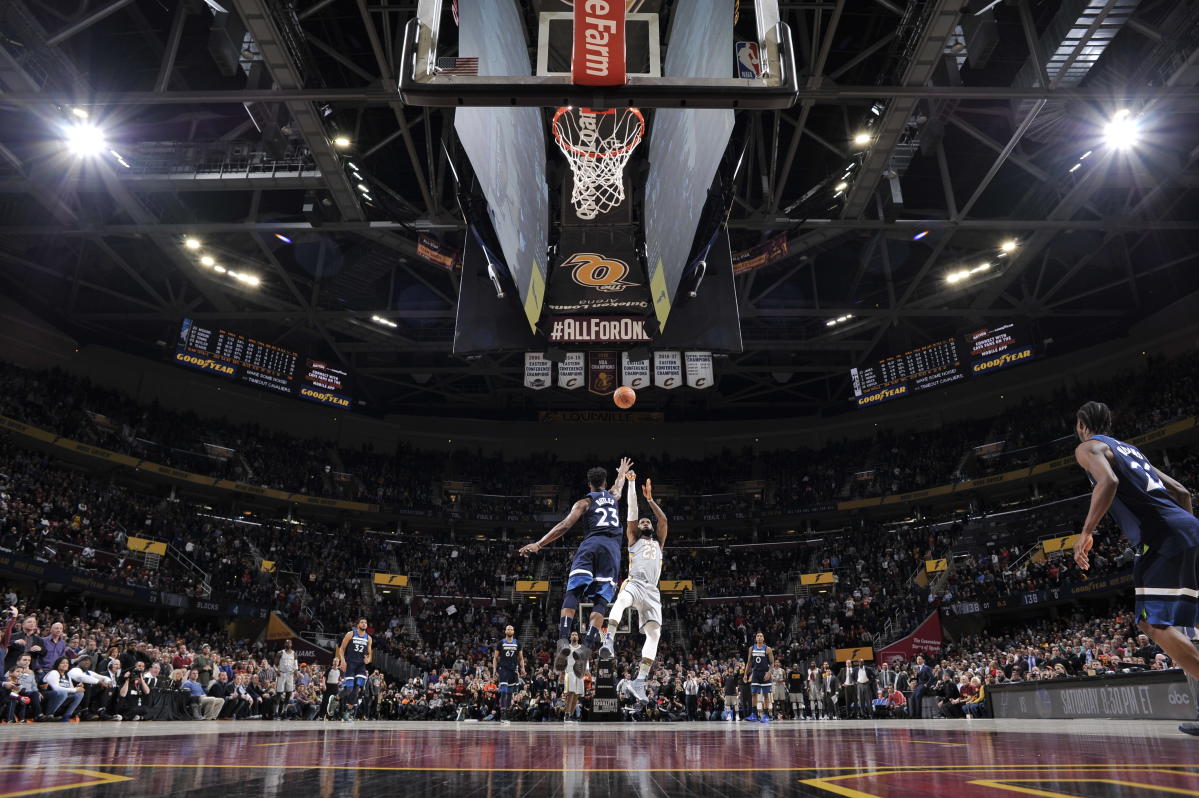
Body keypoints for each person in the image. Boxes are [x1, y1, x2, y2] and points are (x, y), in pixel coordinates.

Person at [1070, 401, 1199, 736]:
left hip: (1160, 537)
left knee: (1151, 622)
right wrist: (1186, 527)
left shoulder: (1088, 446)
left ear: (1083, 424)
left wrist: (1086, 533)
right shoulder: (1130, 449)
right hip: (1187, 528)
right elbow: (1182, 491)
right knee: (1186, 623)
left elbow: (1108, 482)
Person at [519, 458, 633, 677]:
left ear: (589, 484)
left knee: (574, 591)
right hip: (612, 550)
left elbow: (564, 526)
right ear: (605, 482)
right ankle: (587, 646)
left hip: (591, 545)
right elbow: (618, 487)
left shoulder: (584, 502)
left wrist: (539, 544)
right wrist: (621, 474)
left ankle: (563, 638)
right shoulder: (613, 496)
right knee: (601, 601)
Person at [599, 473, 667, 703]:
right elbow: (631, 513)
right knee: (620, 601)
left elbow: (664, 521)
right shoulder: (633, 539)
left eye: (648, 522)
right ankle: (608, 639)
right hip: (635, 582)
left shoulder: (659, 541)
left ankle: (639, 681)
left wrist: (650, 500)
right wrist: (631, 484)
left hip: (652, 591)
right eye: (643, 523)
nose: (645, 523)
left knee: (655, 634)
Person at [336, 618, 372, 721]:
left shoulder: (369, 638)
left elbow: (370, 656)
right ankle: (336, 698)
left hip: (361, 665)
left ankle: (348, 711)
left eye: (365, 622)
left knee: (356, 689)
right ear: (358, 625)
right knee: (349, 689)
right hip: (350, 664)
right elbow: (341, 649)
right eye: (362, 622)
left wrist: (368, 660)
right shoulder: (350, 634)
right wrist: (342, 660)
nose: (364, 624)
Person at [492, 624, 525, 725]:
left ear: (513, 631)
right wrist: (494, 669)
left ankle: (507, 713)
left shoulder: (517, 643)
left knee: (510, 693)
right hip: (503, 669)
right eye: (508, 629)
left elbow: (521, 658)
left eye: (511, 629)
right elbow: (495, 657)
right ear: (505, 631)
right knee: (504, 691)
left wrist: (522, 668)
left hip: (513, 670)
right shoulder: (500, 643)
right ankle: (503, 714)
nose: (510, 630)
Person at [744, 632, 776, 723]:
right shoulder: (751, 648)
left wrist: (769, 673)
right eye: (757, 636)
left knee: (766, 695)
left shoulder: (768, 649)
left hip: (765, 673)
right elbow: (749, 662)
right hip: (755, 673)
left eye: (761, 636)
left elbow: (772, 663)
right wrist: (745, 674)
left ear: (763, 638)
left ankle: (765, 715)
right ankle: (754, 714)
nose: (759, 637)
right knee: (753, 693)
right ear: (755, 638)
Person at [562, 630, 584, 722]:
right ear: (570, 637)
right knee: (570, 694)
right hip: (570, 672)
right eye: (572, 634)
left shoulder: (582, 648)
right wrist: (562, 673)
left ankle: (571, 715)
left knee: (576, 695)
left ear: (578, 637)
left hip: (579, 673)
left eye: (576, 634)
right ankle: (566, 714)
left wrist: (586, 670)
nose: (574, 636)